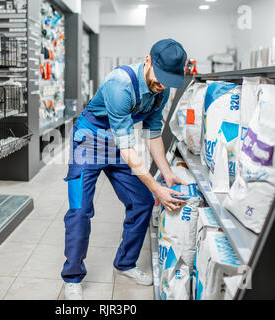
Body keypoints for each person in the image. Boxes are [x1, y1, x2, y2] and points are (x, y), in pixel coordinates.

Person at [62, 38, 188, 300]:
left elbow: (154, 135)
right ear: (148, 60)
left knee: (142, 202)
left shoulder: (160, 92)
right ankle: (72, 277)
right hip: (89, 140)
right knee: (80, 210)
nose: (162, 85)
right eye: (160, 76)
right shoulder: (120, 85)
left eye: (168, 80)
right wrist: (157, 188)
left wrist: (166, 174)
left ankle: (125, 264)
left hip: (119, 145)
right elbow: (129, 150)